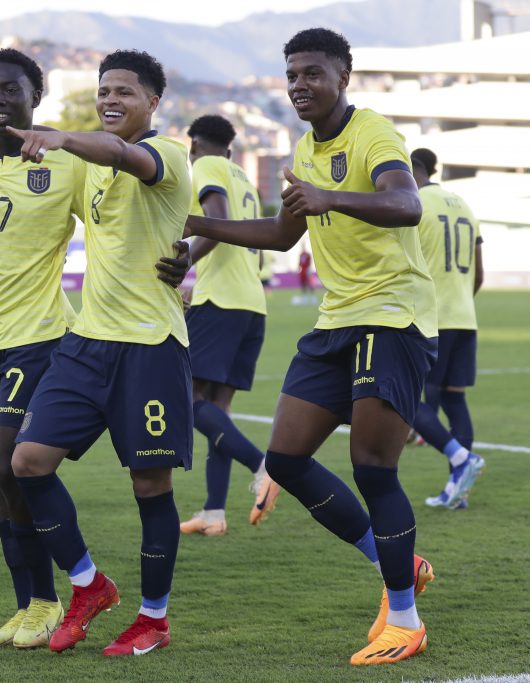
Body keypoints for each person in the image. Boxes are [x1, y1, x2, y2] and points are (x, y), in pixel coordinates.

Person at [0, 47, 190, 650]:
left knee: (18, 467)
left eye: (10, 90)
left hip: (53, 336)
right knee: (9, 475)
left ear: (36, 98)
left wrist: (184, 254)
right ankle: (42, 600)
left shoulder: (73, 161)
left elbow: (138, 180)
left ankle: (124, 610)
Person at [186, 28, 437, 665]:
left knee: (373, 468)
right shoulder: (302, 148)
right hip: (336, 321)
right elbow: (280, 234)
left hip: (391, 316)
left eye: (312, 73)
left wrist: (331, 198)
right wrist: (192, 227)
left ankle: (404, 620)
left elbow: (406, 203)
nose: (300, 84)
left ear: (343, 76)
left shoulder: (372, 133)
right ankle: (397, 563)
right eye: (292, 74)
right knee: (288, 459)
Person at [9, 49, 192, 657]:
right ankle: (89, 585)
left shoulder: (167, 155)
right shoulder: (88, 162)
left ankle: (154, 619)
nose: (111, 100)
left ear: (153, 102)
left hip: (150, 346)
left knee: (150, 484)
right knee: (27, 461)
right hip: (86, 343)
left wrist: (63, 136)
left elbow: (124, 155)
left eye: (124, 92)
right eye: (104, 91)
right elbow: (50, 148)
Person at [178, 114, 277, 537]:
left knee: (185, 398)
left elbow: (215, 223)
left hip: (220, 301)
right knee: (218, 412)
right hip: (251, 303)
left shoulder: (206, 165)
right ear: (232, 150)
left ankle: (263, 465)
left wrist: (184, 261)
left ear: (193, 146)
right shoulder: (246, 182)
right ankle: (214, 513)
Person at [408, 148, 485, 509]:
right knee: (455, 400)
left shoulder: (416, 203)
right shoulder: (464, 205)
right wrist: (461, 302)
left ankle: (461, 459)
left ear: (413, 170)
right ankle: (459, 491)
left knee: (408, 401)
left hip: (431, 319)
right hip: (465, 317)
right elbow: (479, 273)